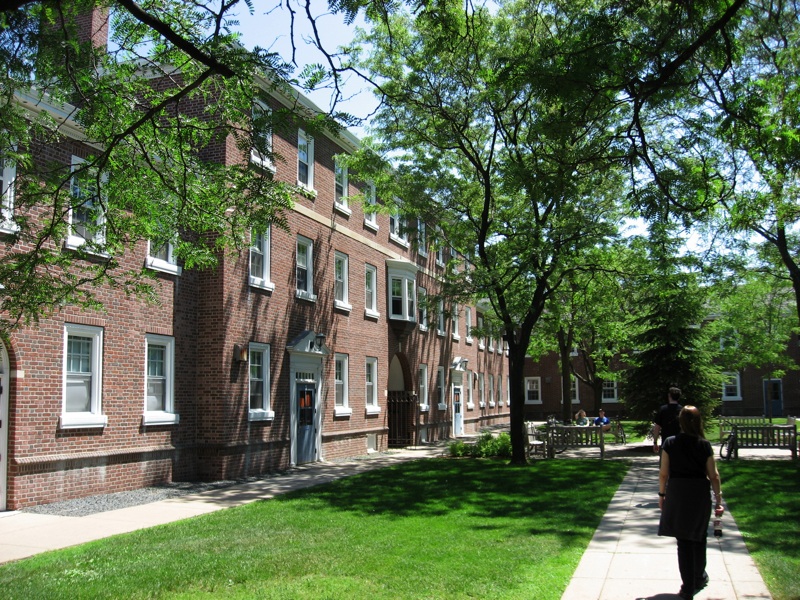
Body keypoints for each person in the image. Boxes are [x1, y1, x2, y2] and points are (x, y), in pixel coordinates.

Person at [658, 405, 724, 599]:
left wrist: (662, 495)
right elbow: (714, 475)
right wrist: (718, 497)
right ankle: (698, 577)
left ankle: (687, 586)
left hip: (678, 492)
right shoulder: (703, 444)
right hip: (699, 493)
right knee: (699, 536)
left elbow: (663, 473)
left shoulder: (670, 443)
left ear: (681, 421)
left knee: (683, 541)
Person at [653, 386, 683, 454]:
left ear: (669, 395)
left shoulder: (663, 410)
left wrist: (655, 442)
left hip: (666, 442)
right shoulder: (682, 410)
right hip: (680, 443)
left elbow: (657, 428)